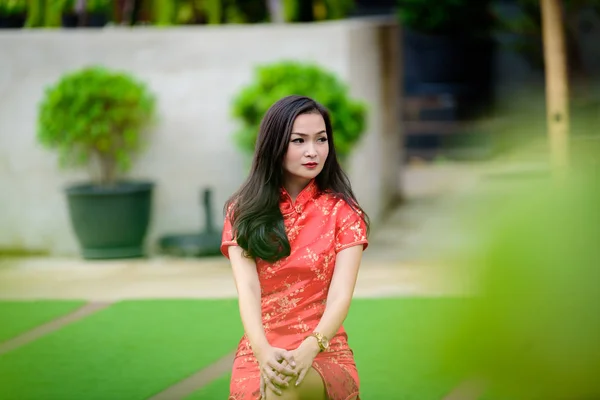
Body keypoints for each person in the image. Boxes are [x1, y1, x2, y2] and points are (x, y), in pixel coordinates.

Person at [221, 95, 370, 400]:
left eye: (321, 139)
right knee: (276, 384)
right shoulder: (243, 212)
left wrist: (309, 347)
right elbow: (248, 289)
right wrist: (262, 351)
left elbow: (341, 296)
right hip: (259, 350)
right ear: (275, 145)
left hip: (324, 351)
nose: (313, 151)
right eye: (299, 141)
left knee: (282, 389)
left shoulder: (344, 212)